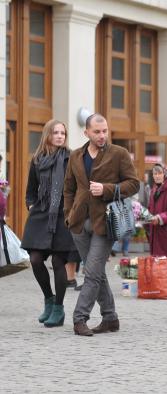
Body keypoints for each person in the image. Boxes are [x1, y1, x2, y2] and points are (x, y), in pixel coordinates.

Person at [64, 113, 139, 336]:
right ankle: (110, 318)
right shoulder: (76, 156)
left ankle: (79, 318)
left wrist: (107, 189)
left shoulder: (119, 154)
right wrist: (68, 215)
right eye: (97, 132)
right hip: (78, 223)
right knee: (97, 273)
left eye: (105, 131)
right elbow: (69, 189)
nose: (102, 135)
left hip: (105, 222)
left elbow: (133, 184)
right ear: (86, 132)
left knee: (91, 272)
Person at [20, 119, 79, 328]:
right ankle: (49, 299)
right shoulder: (37, 160)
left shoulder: (72, 158)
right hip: (41, 213)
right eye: (56, 132)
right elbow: (30, 190)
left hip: (63, 215)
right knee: (35, 259)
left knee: (57, 262)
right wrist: (30, 205)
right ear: (48, 135)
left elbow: (80, 186)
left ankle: (59, 308)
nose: (60, 136)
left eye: (63, 133)